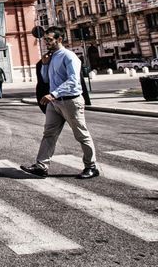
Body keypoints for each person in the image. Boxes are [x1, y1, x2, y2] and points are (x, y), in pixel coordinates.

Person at [21, 27, 99, 179]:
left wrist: (53, 94)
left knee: (81, 135)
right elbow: (45, 80)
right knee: (48, 134)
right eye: (45, 40)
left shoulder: (69, 56)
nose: (46, 42)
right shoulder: (50, 57)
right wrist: (44, 64)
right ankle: (41, 166)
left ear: (59, 39)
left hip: (70, 101)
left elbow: (73, 81)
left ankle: (91, 166)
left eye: (49, 39)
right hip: (54, 103)